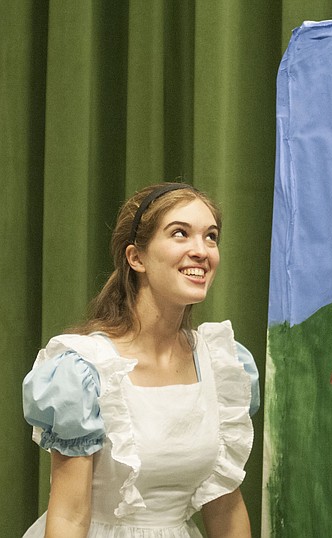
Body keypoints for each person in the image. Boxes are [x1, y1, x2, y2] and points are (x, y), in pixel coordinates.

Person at [22, 182, 260, 537]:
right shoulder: (84, 369)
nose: (201, 250)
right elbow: (69, 518)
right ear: (137, 258)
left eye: (211, 237)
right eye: (180, 234)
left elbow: (224, 507)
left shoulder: (222, 363)